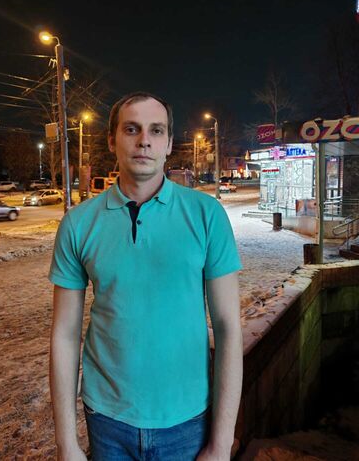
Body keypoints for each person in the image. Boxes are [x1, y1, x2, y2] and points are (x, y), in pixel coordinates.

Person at [49, 92, 243, 461]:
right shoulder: (78, 224)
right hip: (106, 418)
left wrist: (221, 444)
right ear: (112, 140)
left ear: (169, 144)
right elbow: (64, 334)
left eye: (156, 130)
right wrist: (66, 443)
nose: (144, 141)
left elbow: (228, 327)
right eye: (131, 129)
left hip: (188, 419)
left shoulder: (207, 215)